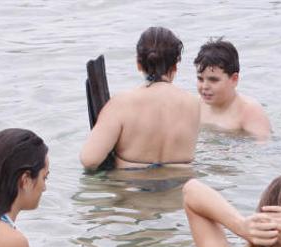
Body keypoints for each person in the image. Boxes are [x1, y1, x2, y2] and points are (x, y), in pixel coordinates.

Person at [80, 26, 200, 170]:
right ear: (175, 65)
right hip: (179, 190)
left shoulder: (121, 104)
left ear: (138, 64)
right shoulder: (194, 104)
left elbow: (90, 160)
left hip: (133, 189)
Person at [194, 38, 272, 140]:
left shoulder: (249, 111)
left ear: (234, 79)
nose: (204, 86)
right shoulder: (195, 105)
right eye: (200, 79)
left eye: (213, 80)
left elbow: (264, 146)